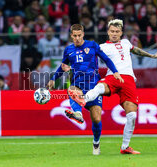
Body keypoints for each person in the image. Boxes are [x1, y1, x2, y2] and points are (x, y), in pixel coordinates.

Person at [68, 19, 157, 154]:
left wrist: (151, 55)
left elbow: (136, 50)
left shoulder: (126, 43)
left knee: (132, 116)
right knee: (100, 87)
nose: (114, 34)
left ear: (121, 33)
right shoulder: (101, 46)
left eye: (117, 32)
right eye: (112, 31)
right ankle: (83, 99)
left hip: (128, 79)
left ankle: (125, 147)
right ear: (108, 32)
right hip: (113, 76)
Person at [47, 24, 123, 155]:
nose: (77, 38)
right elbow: (63, 67)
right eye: (74, 36)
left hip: (94, 87)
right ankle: (78, 114)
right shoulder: (68, 50)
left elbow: (106, 59)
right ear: (71, 35)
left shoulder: (92, 45)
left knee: (97, 119)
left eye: (79, 35)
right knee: (71, 89)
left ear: (83, 34)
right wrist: (54, 78)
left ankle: (96, 143)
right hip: (78, 84)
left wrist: (115, 71)